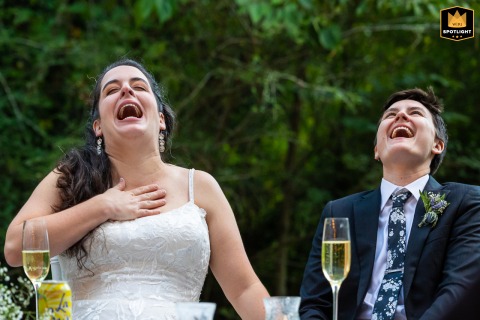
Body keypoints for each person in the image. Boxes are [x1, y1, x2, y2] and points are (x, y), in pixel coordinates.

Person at [4, 58, 270, 319]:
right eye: (111, 90)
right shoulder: (70, 177)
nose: (126, 90)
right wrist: (102, 206)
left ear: (161, 119)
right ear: (98, 126)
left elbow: (244, 289)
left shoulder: (199, 186)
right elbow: (16, 247)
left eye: (139, 87)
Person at [299, 87, 480, 320]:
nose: (401, 116)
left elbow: (459, 292)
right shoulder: (339, 212)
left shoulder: (465, 203)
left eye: (415, 112)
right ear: (376, 150)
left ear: (438, 145)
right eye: (390, 115)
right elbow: (315, 303)